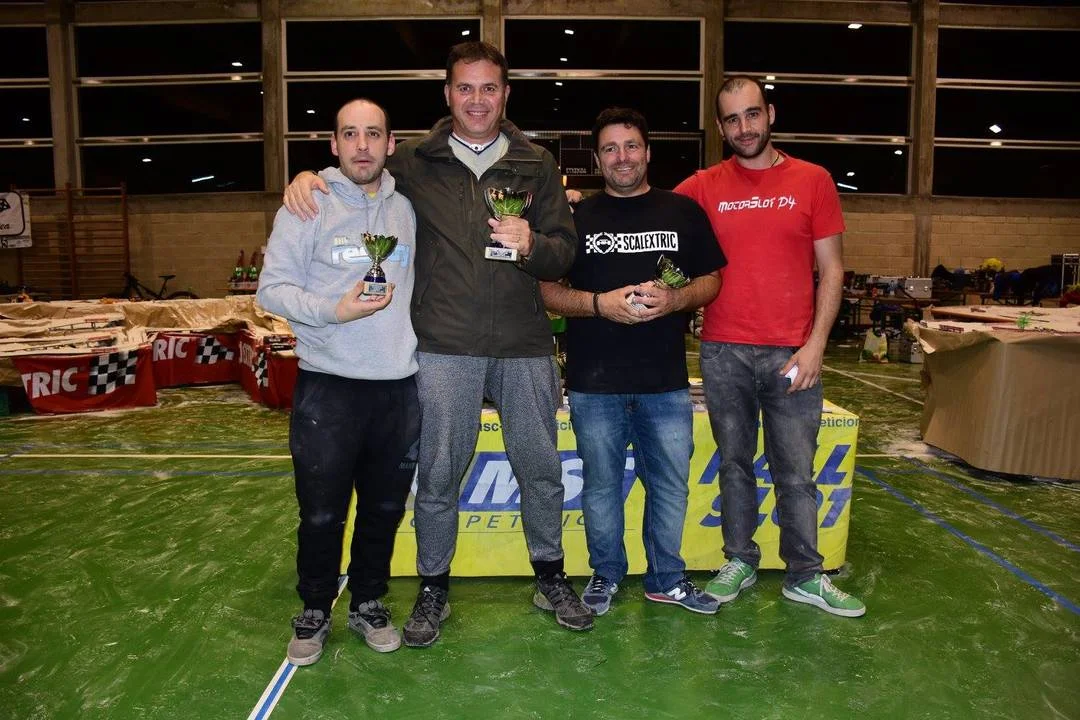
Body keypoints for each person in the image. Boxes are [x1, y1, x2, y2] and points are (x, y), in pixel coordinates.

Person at [282, 42, 592, 646]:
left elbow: (564, 253)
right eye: (465, 88)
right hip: (444, 344)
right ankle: (433, 587)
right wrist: (309, 178)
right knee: (440, 474)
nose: (477, 100)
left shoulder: (537, 163)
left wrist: (533, 244)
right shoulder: (415, 162)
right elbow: (359, 171)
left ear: (506, 94)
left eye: (489, 88)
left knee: (541, 468)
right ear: (448, 94)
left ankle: (551, 576)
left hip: (525, 344)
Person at [674, 76, 866, 617]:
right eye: (732, 119)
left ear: (771, 114)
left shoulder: (813, 180)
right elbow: (647, 209)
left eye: (752, 114)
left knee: (796, 471)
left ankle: (805, 574)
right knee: (734, 464)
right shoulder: (703, 186)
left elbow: (832, 270)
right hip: (723, 352)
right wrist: (578, 204)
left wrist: (816, 346)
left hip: (792, 354)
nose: (744, 127)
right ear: (720, 127)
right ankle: (739, 559)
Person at [540, 108, 726, 616]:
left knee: (670, 486)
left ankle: (667, 578)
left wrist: (677, 299)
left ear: (648, 151)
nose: (621, 157)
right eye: (610, 148)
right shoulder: (575, 219)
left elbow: (711, 279)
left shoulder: (683, 211)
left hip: (664, 383)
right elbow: (548, 291)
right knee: (601, 487)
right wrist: (600, 305)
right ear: (597, 158)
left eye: (630, 146)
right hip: (593, 383)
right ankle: (606, 574)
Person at [257, 98, 421, 665]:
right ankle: (314, 608)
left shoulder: (408, 208)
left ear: (391, 144)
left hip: (398, 388)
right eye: (349, 134)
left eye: (373, 134)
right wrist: (334, 310)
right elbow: (271, 290)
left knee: (384, 509)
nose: (362, 145)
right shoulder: (308, 204)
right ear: (333, 144)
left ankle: (368, 601)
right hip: (329, 387)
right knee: (322, 512)